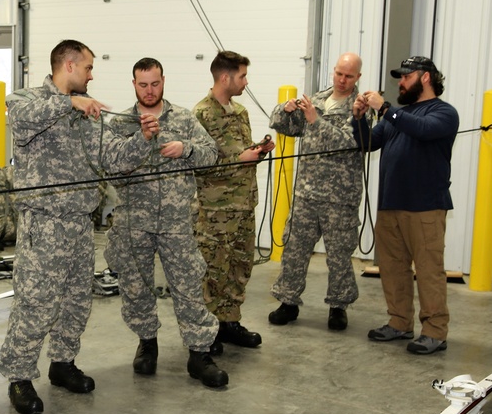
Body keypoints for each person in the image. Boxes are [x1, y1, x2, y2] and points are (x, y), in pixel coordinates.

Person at [0, 39, 160, 414]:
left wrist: (143, 139)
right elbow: (20, 119)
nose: (91, 74)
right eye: (87, 67)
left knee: (75, 303)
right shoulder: (28, 98)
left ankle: (62, 363)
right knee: (35, 304)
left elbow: (112, 158)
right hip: (44, 224)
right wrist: (68, 101)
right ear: (68, 65)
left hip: (80, 224)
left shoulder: (88, 112)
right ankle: (20, 377)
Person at [104, 57, 228, 387]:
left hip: (176, 222)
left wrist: (185, 149)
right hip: (134, 222)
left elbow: (212, 155)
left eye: (155, 83)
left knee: (188, 285)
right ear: (134, 84)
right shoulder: (120, 124)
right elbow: (112, 166)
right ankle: (147, 342)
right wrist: (141, 141)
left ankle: (199, 353)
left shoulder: (185, 119)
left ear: (163, 81)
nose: (149, 90)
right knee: (136, 286)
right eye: (142, 84)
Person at [352, 56, 459, 355]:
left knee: (428, 270)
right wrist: (359, 118)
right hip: (391, 205)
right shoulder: (398, 117)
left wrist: (385, 108)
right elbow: (368, 144)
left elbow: (422, 130)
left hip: (425, 207)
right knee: (392, 267)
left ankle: (435, 331)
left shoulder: (443, 112)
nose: (400, 82)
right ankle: (399, 322)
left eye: (406, 77)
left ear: (425, 78)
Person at [267, 53, 364, 331]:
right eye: (339, 74)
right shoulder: (317, 100)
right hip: (307, 193)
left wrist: (315, 121)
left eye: (349, 76)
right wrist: (284, 110)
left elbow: (351, 142)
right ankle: (288, 301)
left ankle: (338, 305)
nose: (342, 80)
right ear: (333, 72)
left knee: (339, 254)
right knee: (295, 249)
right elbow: (285, 126)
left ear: (358, 77)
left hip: (340, 195)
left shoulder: (360, 107)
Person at [194, 51, 275, 353]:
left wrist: (258, 150)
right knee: (213, 270)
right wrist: (239, 158)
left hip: (244, 204)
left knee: (239, 267)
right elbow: (199, 162)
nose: (246, 81)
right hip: (216, 210)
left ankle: (230, 322)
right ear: (225, 77)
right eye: (242, 76)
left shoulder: (240, 111)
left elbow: (239, 151)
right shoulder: (202, 114)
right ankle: (208, 329)